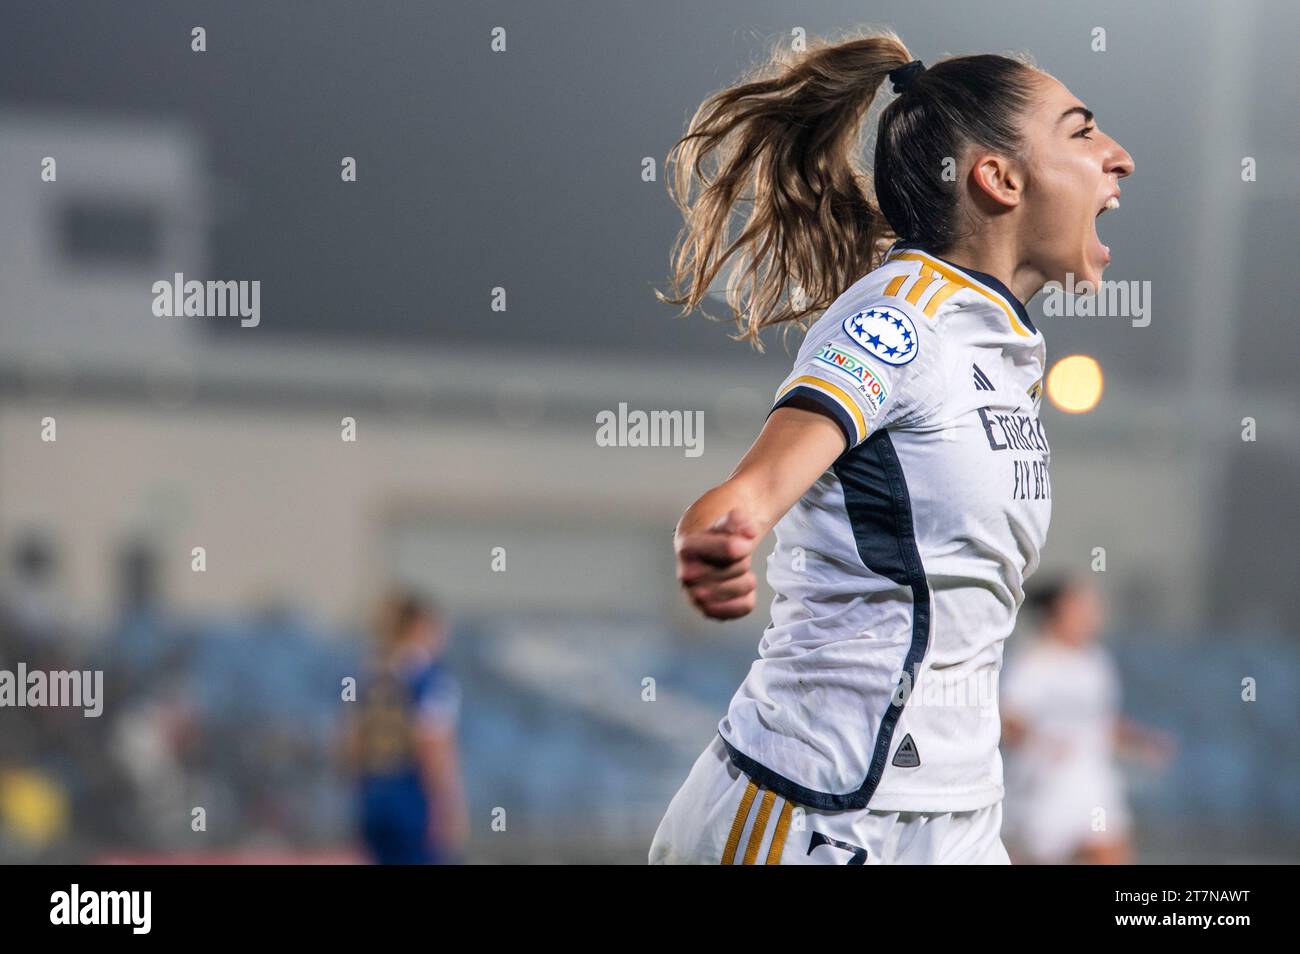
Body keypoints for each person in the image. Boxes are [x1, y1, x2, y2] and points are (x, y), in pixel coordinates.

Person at [649, 30, 1133, 864]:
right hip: (819, 814)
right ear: (999, 177)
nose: (1117, 158)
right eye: (1082, 132)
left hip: (958, 812)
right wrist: (726, 524)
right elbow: (762, 481)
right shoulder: (905, 317)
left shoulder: (1000, 346)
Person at [1001, 578, 1174, 864]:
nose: (1091, 615)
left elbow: (1102, 723)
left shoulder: (1096, 662)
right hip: (1044, 788)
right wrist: (1039, 742)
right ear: (1056, 612)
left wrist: (1142, 740)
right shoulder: (1032, 661)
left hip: (1092, 782)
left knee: (1111, 853)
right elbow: (1008, 720)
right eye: (1080, 607)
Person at [347, 592, 468, 864]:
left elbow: (350, 743)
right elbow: (433, 745)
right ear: (418, 628)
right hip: (412, 800)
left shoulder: (369, 677)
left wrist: (364, 794)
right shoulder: (430, 679)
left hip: (374, 800)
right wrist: (449, 806)